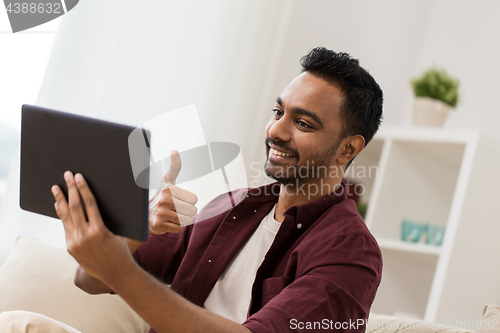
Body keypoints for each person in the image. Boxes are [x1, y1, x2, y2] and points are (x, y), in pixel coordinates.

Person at [4, 47, 384, 332]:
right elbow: (90, 281)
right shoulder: (234, 208)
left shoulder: (352, 253)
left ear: (349, 148)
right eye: (278, 112)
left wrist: (118, 268)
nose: (276, 131)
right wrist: (140, 230)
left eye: (303, 123)